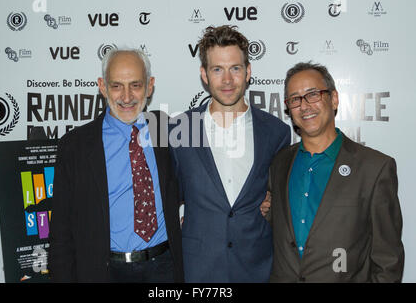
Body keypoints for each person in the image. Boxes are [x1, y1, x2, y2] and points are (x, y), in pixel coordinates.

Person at [49, 48, 183, 282]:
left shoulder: (168, 130)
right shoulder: (75, 146)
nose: (127, 96)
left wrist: (260, 198)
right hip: (105, 272)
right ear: (102, 86)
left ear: (150, 86)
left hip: (164, 267)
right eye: (116, 85)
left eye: (136, 85)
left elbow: (201, 180)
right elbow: (61, 231)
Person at [262, 61, 404, 282]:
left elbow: (388, 260)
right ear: (288, 107)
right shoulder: (278, 164)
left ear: (334, 98)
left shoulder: (375, 168)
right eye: (295, 99)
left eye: (313, 94)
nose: (305, 106)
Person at [169, 25, 291, 282]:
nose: (227, 80)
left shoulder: (276, 132)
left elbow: (281, 200)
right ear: (204, 75)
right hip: (198, 270)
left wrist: (270, 206)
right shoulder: (178, 129)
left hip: (256, 267)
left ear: (248, 72)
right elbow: (168, 195)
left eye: (235, 68)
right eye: (217, 69)